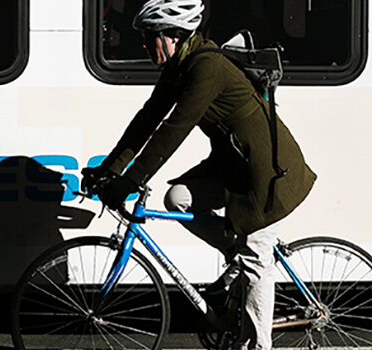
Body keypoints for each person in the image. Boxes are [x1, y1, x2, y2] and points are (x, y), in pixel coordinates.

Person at [81, 0, 317, 349]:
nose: (144, 45)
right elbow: (147, 120)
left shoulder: (207, 67)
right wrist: (109, 169)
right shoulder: (180, 66)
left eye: (150, 37)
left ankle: (256, 345)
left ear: (175, 36)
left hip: (266, 173)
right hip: (233, 165)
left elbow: (173, 130)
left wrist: (131, 181)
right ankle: (235, 254)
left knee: (256, 261)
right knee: (177, 198)